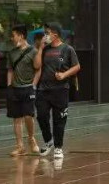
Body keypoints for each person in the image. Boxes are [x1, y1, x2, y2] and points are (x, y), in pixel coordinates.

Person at [34, 22, 81, 159]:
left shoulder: (67, 49)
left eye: (47, 33)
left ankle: (58, 147)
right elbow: (37, 65)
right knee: (41, 116)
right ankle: (49, 141)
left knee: (59, 120)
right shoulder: (45, 49)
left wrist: (64, 75)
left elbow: (77, 66)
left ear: (55, 34)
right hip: (43, 90)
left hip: (61, 90)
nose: (45, 36)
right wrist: (41, 48)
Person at [6, 25, 40, 156]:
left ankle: (31, 138)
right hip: (15, 89)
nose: (12, 38)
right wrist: (9, 86)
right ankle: (20, 147)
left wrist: (33, 85)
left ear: (21, 36)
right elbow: (10, 70)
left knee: (28, 116)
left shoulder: (33, 51)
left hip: (28, 88)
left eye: (13, 35)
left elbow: (38, 69)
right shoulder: (12, 52)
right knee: (16, 118)